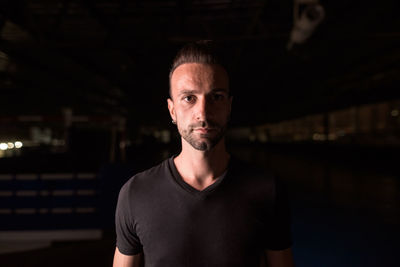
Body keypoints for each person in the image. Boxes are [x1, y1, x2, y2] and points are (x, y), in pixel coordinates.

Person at [113, 41, 295, 267]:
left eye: (216, 97)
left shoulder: (267, 189)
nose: (203, 112)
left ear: (229, 106)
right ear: (172, 110)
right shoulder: (135, 194)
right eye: (189, 98)